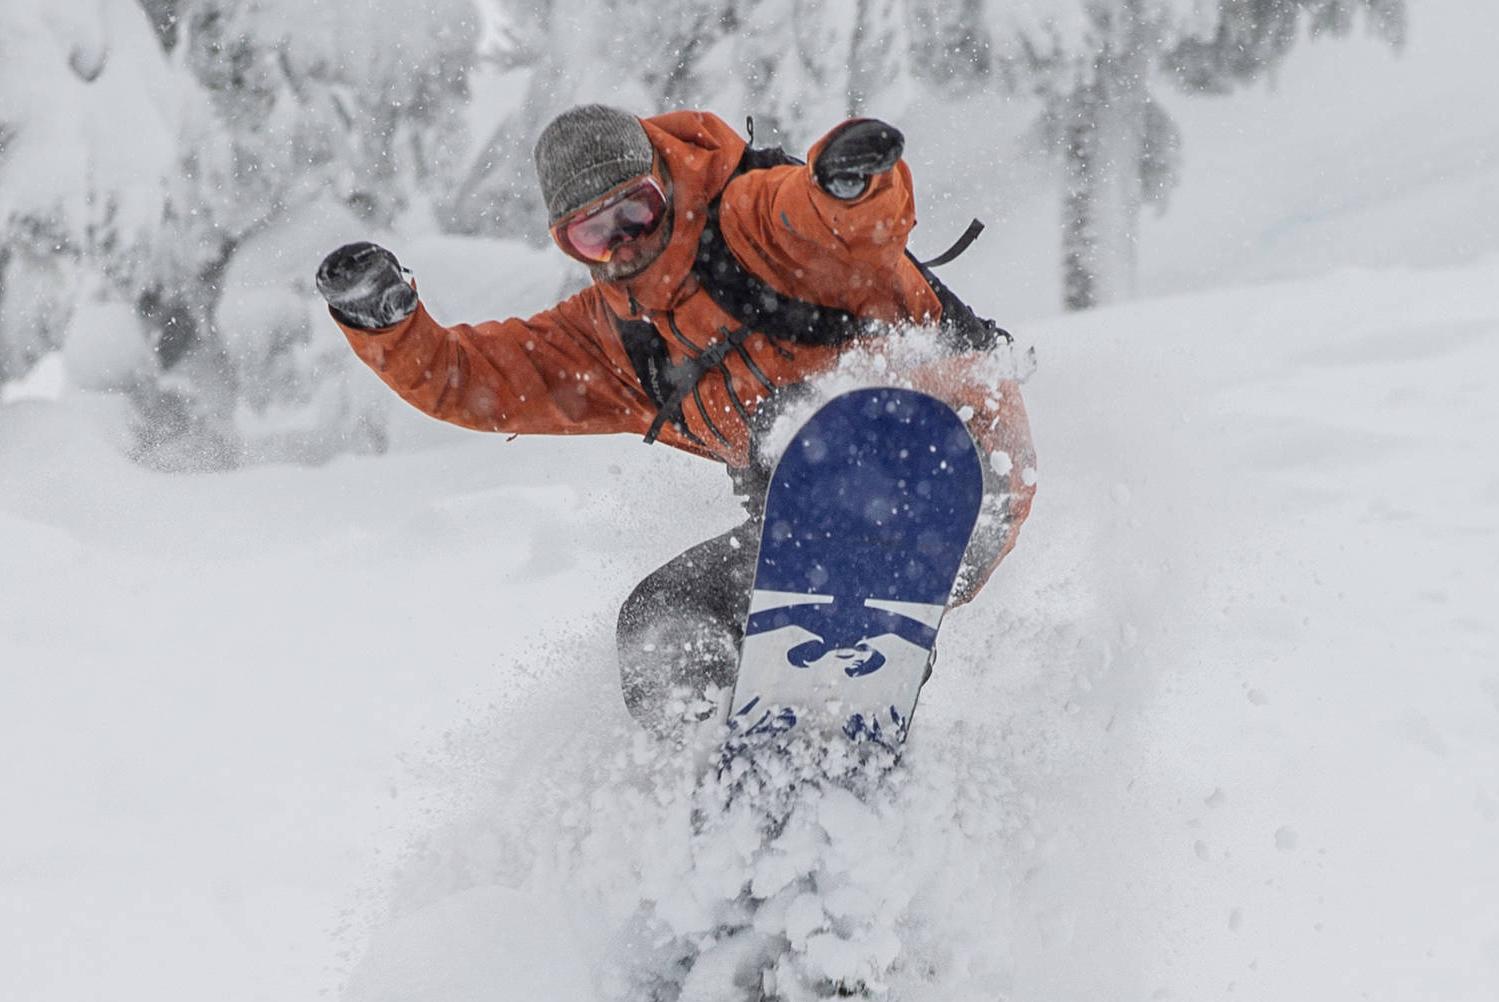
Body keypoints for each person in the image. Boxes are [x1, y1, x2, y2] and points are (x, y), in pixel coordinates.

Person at [316, 105, 1027, 731]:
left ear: (665, 181)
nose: (624, 242)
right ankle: (715, 774)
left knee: (804, 430)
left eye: (638, 211)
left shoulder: (749, 220)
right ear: (570, 247)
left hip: (958, 460)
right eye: (595, 235)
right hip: (812, 531)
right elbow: (476, 380)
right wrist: (389, 324)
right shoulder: (615, 340)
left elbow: (830, 217)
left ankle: (859, 648)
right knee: (661, 620)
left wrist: (850, 182)